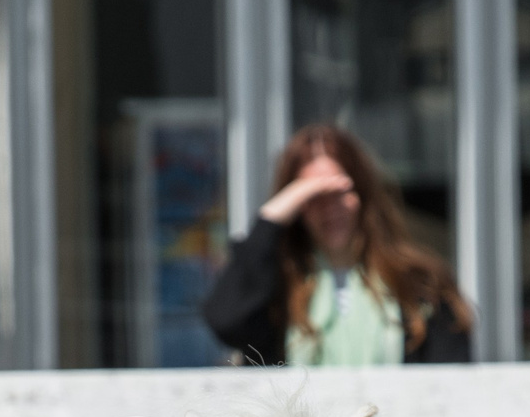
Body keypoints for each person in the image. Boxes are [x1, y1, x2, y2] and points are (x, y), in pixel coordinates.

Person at [202, 124, 473, 366]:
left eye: (340, 193)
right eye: (315, 196)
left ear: (363, 194)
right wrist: (272, 217)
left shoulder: (420, 282)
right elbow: (226, 320)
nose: (330, 209)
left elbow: (450, 378)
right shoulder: (275, 289)